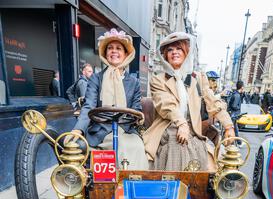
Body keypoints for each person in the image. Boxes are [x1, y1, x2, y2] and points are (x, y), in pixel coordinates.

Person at [143, 33, 234, 171]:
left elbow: (212, 101)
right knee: (177, 143)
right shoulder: (158, 79)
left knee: (209, 157)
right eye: (170, 50)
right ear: (164, 55)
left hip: (193, 130)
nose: (174, 52)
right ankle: (174, 186)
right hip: (168, 127)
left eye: (179, 49)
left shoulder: (197, 77)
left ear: (186, 52)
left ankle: (197, 189)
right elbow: (166, 105)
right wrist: (182, 124)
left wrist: (228, 126)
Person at [68, 29, 148, 170]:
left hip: (125, 128)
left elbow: (136, 109)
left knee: (135, 146)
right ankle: (105, 187)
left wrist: (135, 117)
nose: (114, 51)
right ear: (105, 54)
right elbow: (89, 106)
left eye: (118, 48)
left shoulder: (134, 82)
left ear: (125, 54)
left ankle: (132, 187)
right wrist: (78, 129)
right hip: (100, 129)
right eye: (110, 48)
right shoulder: (96, 78)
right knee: (118, 146)